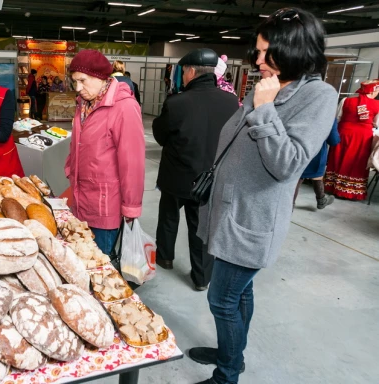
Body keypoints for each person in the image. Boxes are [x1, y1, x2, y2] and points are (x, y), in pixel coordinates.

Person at [189, 8, 338, 384]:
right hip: (229, 210)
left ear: (293, 49)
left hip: (251, 220)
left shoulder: (318, 95)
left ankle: (227, 374)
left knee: (221, 299)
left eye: (263, 52)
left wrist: (266, 108)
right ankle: (231, 355)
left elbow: (287, 164)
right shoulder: (271, 85)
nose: (256, 61)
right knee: (239, 293)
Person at [152, 48, 239, 291]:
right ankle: (201, 278)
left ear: (190, 71)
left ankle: (165, 257)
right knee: (201, 228)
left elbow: (160, 135)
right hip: (210, 179)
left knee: (169, 217)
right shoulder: (231, 101)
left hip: (176, 177)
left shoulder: (177, 102)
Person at [64, 49, 145, 255]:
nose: (77, 87)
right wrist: (71, 168)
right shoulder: (83, 104)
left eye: (82, 80)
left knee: (99, 263)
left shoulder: (124, 107)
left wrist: (131, 207)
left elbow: (132, 163)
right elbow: (78, 142)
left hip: (105, 204)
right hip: (80, 197)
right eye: (75, 81)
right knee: (81, 258)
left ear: (100, 77)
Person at [324, 79, 379, 200]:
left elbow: (337, 117)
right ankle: (351, 191)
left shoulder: (346, 101)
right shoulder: (377, 105)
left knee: (338, 157)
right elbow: (376, 123)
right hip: (363, 137)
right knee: (356, 161)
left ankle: (333, 187)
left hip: (344, 132)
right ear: (373, 90)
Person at [293, 119, 340, 209]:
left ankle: (321, 199)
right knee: (315, 175)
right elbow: (334, 140)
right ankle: (321, 200)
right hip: (316, 152)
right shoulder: (328, 112)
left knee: (297, 177)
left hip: (295, 147)